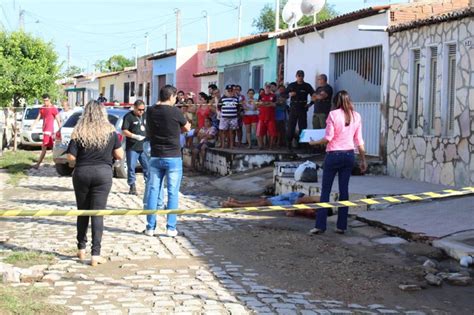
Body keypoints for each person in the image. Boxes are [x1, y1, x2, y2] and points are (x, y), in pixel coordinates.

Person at [66, 100, 124, 266]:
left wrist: (74, 162)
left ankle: (81, 248)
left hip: (82, 173)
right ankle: (95, 254)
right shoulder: (110, 132)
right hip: (103, 174)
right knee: (98, 213)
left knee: (82, 210)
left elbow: (71, 157)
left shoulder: (79, 131)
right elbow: (119, 155)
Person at [309, 91, 367, 235]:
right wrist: (363, 159)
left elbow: (328, 137)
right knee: (344, 191)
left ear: (335, 102)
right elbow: (359, 141)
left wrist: (314, 142)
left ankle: (320, 225)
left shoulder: (333, 115)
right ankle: (341, 226)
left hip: (333, 155)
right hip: (349, 155)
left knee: (326, 191)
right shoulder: (356, 116)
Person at [144, 85, 191, 237]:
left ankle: (150, 227)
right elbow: (187, 128)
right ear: (172, 96)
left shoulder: (150, 111)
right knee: (173, 193)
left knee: (153, 191)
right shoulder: (175, 111)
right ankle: (171, 228)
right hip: (173, 157)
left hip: (156, 155)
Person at [121, 100, 149, 195]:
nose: (141, 111)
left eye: (143, 109)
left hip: (144, 147)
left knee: (147, 167)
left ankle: (148, 185)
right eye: (139, 110)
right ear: (134, 108)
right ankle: (132, 186)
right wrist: (134, 136)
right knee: (131, 167)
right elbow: (124, 130)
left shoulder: (145, 116)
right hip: (132, 147)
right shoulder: (129, 117)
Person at [221, 192, 322, 217]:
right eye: (313, 212)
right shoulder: (318, 201)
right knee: (265, 201)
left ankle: (236, 204)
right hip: (293, 198)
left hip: (291, 204)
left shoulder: (313, 214)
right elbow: (300, 199)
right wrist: (292, 209)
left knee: (265, 202)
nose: (311, 213)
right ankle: (236, 204)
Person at [286, 70, 314, 151]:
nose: (300, 77)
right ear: (296, 76)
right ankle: (289, 145)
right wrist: (289, 94)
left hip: (302, 110)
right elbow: (283, 95)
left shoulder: (307, 86)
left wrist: (310, 104)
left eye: (301, 75)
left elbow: (314, 95)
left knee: (303, 128)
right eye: (299, 75)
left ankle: (303, 146)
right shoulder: (292, 85)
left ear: (303, 76)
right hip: (293, 110)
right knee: (291, 128)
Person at [31, 94, 61, 169]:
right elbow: (38, 118)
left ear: (50, 99)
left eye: (47, 100)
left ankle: (38, 164)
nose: (46, 102)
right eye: (44, 100)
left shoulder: (53, 108)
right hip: (44, 130)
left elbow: (58, 120)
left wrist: (60, 129)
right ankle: (58, 163)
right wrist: (32, 125)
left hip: (49, 131)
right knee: (52, 148)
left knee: (44, 148)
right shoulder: (42, 108)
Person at [218, 85, 240, 149]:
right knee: (223, 131)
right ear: (226, 91)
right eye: (228, 90)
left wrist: (237, 114)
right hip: (224, 117)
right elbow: (219, 107)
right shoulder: (222, 98)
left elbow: (238, 107)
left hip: (233, 117)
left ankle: (231, 145)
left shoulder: (236, 98)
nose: (230, 92)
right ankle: (223, 145)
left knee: (232, 132)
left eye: (231, 90)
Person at [257, 83, 277, 150]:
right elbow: (258, 105)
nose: (267, 89)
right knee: (260, 133)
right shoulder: (261, 95)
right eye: (266, 87)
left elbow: (275, 105)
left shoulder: (273, 95)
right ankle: (261, 146)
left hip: (271, 117)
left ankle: (270, 146)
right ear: (264, 88)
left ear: (270, 88)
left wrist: (266, 104)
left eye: (269, 87)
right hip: (262, 117)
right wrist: (268, 104)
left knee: (272, 133)